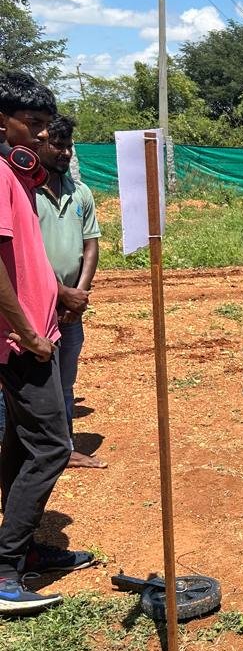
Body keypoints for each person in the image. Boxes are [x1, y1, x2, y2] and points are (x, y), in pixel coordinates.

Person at [0, 71, 94, 616]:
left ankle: (26, 550)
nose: (41, 135)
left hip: (34, 333)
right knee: (54, 446)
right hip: (22, 341)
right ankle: (6, 569)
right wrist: (28, 330)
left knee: (19, 441)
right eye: (31, 124)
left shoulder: (18, 177)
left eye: (45, 125)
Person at [36, 113, 105, 468]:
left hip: (70, 310)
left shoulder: (81, 193)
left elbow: (90, 244)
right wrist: (60, 292)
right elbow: (23, 257)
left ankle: (63, 448)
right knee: (28, 384)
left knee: (65, 382)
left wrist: (78, 295)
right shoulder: (24, 192)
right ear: (39, 144)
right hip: (34, 307)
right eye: (57, 145)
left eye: (69, 146)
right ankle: (26, 449)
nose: (64, 153)